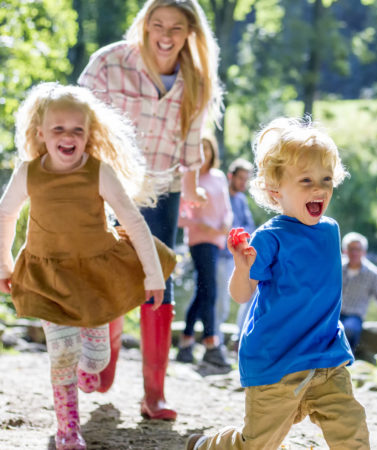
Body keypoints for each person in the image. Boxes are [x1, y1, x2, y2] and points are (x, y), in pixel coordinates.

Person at [0, 83, 175, 450]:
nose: (68, 137)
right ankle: (67, 430)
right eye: (58, 129)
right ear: (41, 134)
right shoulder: (29, 172)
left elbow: (133, 221)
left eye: (77, 130)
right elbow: (5, 214)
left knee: (94, 363)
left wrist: (153, 276)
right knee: (61, 354)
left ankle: (90, 366)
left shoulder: (98, 171)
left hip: (94, 278)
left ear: (88, 134)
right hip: (48, 276)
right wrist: (4, 265)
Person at [186, 117, 370, 450]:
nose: (319, 188)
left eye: (326, 179)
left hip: (326, 357)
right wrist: (243, 268)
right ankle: (209, 446)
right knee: (256, 445)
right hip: (276, 361)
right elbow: (241, 295)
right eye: (306, 180)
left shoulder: (331, 230)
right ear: (276, 191)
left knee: (351, 429)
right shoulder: (269, 238)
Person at [78, 0, 222, 420]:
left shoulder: (195, 76)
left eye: (176, 27)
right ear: (143, 24)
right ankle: (104, 363)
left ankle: (153, 395)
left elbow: (192, 139)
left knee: (158, 275)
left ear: (190, 32)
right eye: (157, 24)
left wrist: (192, 187)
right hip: (109, 184)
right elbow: (76, 116)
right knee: (110, 272)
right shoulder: (110, 63)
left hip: (163, 187)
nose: (165, 34)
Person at [176, 135, 233, 367]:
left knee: (204, 291)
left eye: (208, 148)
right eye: (201, 149)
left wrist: (226, 225)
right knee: (210, 290)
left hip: (217, 239)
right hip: (200, 240)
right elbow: (178, 217)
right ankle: (211, 344)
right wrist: (198, 224)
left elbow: (227, 209)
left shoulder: (218, 177)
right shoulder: (189, 178)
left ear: (213, 152)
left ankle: (186, 342)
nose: (205, 153)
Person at [214, 157, 255, 347]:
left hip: (238, 255)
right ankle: (217, 343)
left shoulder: (241, 200)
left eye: (246, 179)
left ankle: (239, 338)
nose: (243, 183)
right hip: (221, 255)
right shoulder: (220, 196)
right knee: (221, 302)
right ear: (231, 176)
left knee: (249, 296)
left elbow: (249, 225)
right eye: (240, 178)